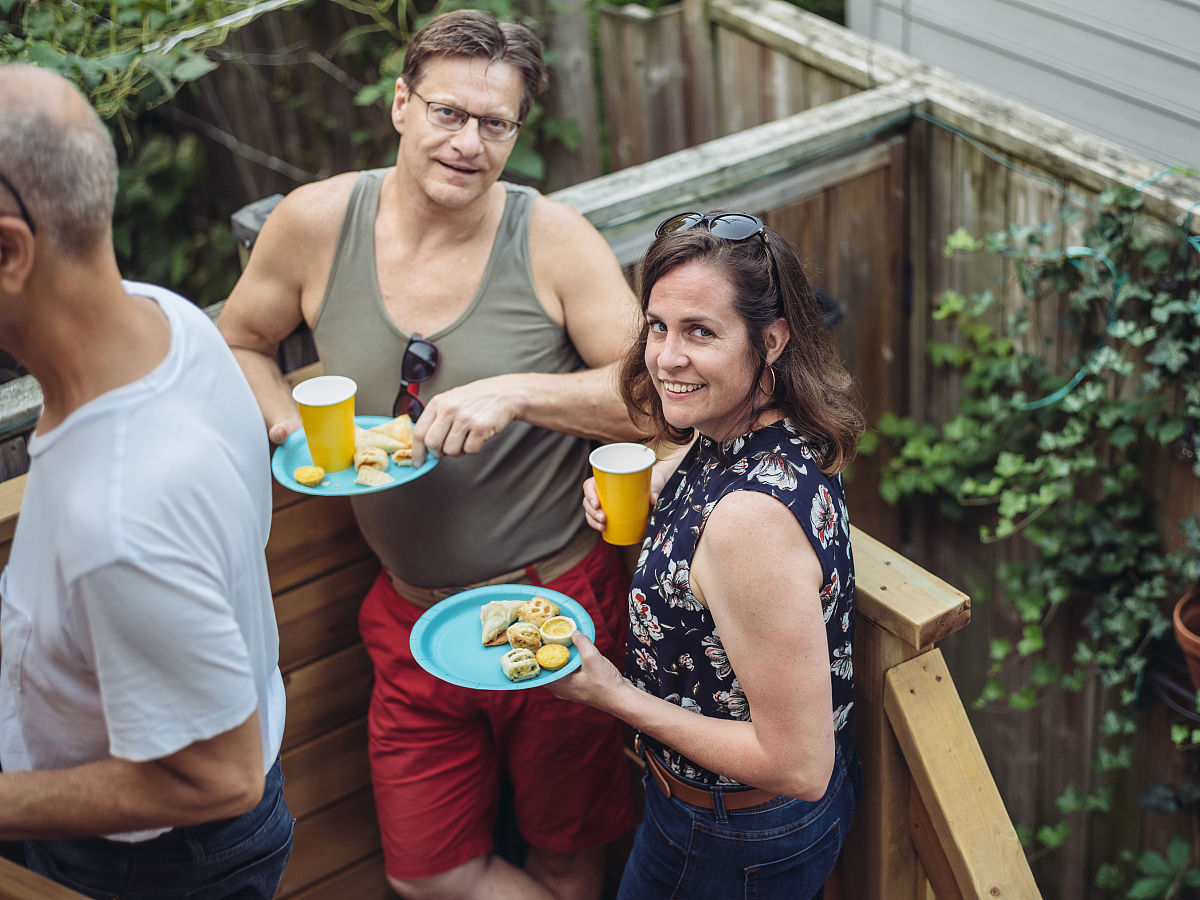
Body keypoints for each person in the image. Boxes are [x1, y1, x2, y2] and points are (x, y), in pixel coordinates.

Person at [216, 10, 641, 898]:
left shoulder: (554, 240)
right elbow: (240, 341)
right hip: (407, 617)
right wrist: (286, 425)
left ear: (516, 134)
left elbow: (652, 402)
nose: (469, 142)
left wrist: (517, 391)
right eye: (449, 113)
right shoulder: (315, 222)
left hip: (554, 607)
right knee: (428, 878)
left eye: (495, 124)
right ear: (402, 105)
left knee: (568, 857)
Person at [0, 64, 292, 898]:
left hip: (156, 865)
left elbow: (220, 777)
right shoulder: (166, 321)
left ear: (10, 249)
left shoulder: (120, 518)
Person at [549, 212, 865, 900]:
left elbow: (799, 763)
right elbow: (708, 470)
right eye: (658, 326)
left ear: (771, 340)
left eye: (700, 332)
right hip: (736, 823)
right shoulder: (760, 425)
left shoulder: (747, 523)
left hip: (730, 839)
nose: (666, 356)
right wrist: (655, 481)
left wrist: (613, 696)